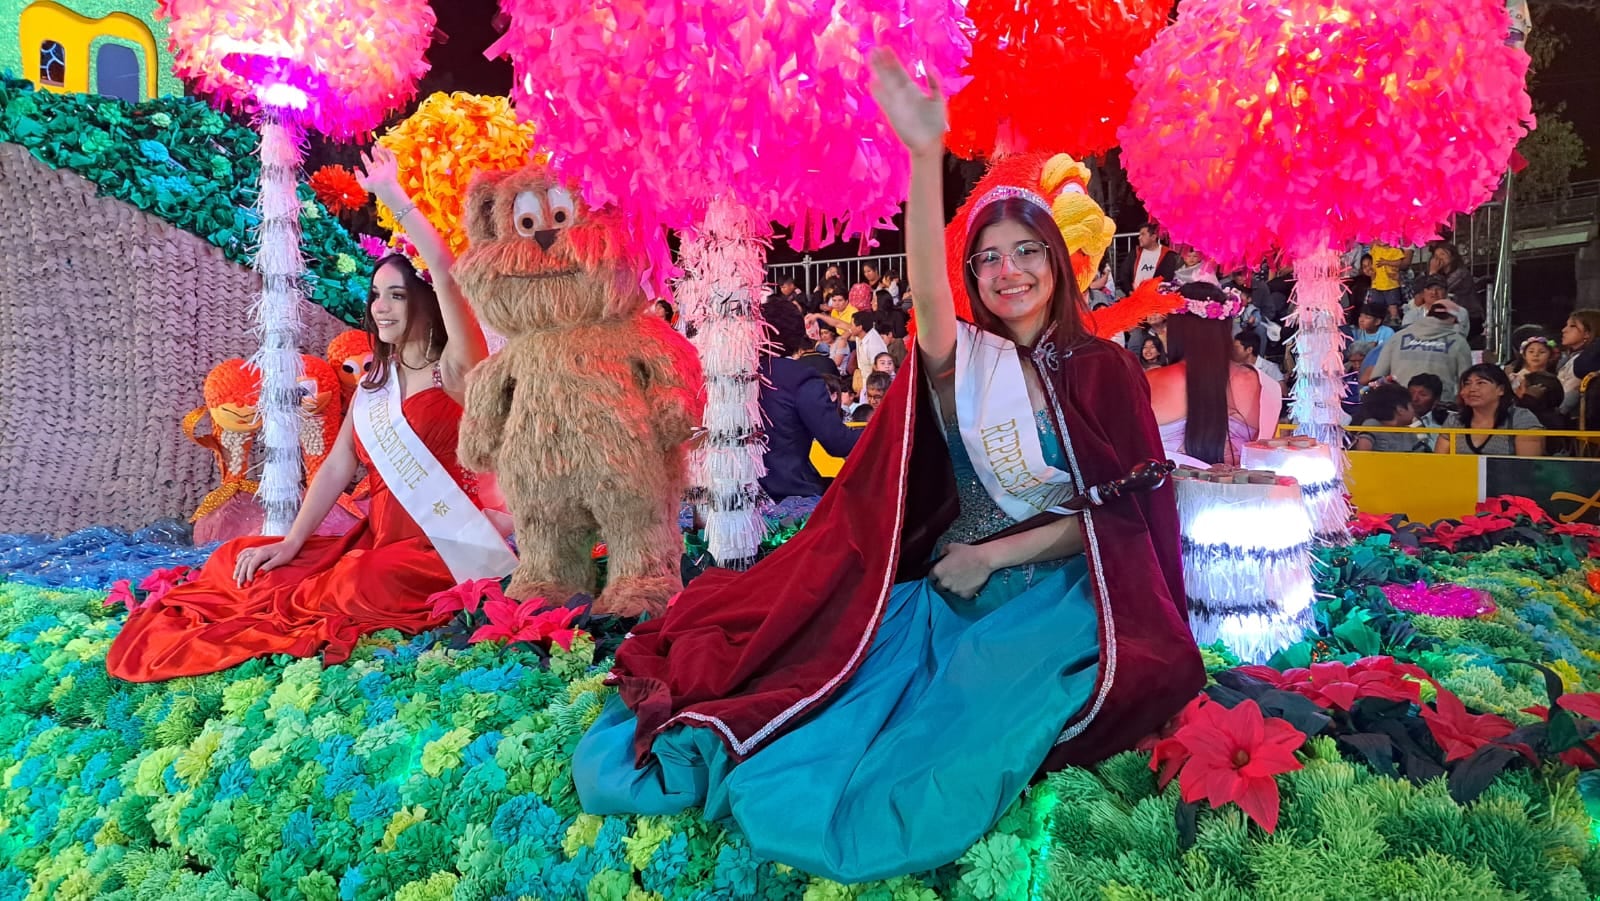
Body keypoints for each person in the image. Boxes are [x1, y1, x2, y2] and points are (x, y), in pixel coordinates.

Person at [571, 50, 1201, 884]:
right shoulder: (962, 362)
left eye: (1025, 253)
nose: (1007, 272)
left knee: (956, 727)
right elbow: (927, 303)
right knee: (844, 691)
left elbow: (1120, 520)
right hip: (950, 589)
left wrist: (993, 556)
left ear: (1056, 264)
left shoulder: (1103, 370)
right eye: (989, 258)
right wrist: (922, 155)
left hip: (1059, 595)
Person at [107, 145, 506, 682]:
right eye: (375, 295)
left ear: (426, 303)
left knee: (356, 583)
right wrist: (293, 540)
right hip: (375, 541)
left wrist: (393, 197)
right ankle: (308, 562)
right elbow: (339, 467)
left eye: (396, 295)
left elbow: (447, 272)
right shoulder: (374, 383)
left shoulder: (456, 369)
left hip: (444, 548)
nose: (380, 307)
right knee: (244, 559)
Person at [1146, 283, 1283, 466]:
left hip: (1169, 493)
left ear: (1176, 329)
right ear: (1225, 329)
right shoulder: (1260, 384)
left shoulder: (1152, 381)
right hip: (1242, 493)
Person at [756, 298, 864, 500]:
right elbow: (837, 442)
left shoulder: (733, 377)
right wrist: (879, 428)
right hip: (790, 494)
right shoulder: (801, 378)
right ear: (798, 335)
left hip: (736, 499)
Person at [1365, 303, 1473, 402]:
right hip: (1440, 410)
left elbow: (1377, 378)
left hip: (1400, 409)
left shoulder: (1398, 337)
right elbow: (1467, 384)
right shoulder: (1459, 342)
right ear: (1454, 320)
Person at [1433, 364, 1543, 457]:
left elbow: (1528, 469)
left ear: (1501, 390)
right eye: (1467, 384)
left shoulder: (1521, 419)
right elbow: (1439, 465)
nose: (1472, 389)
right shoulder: (1454, 421)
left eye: (1481, 383)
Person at [1353, 383, 1421, 452]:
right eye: (1411, 406)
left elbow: (1421, 456)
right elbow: (1362, 450)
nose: (1414, 411)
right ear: (1400, 410)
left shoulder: (1409, 433)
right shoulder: (1372, 425)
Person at [1558, 310, 1600, 419]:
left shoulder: (1584, 360)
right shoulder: (1568, 358)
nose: (1564, 330)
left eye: (1572, 326)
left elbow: (1568, 398)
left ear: (1587, 333)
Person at [1117, 221, 1179, 291]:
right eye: (1139, 235)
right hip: (1134, 296)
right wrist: (1129, 291)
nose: (1139, 238)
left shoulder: (1168, 255)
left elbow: (1167, 278)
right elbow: (1124, 274)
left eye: (1143, 234)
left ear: (1153, 237)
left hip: (1156, 297)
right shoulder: (1135, 253)